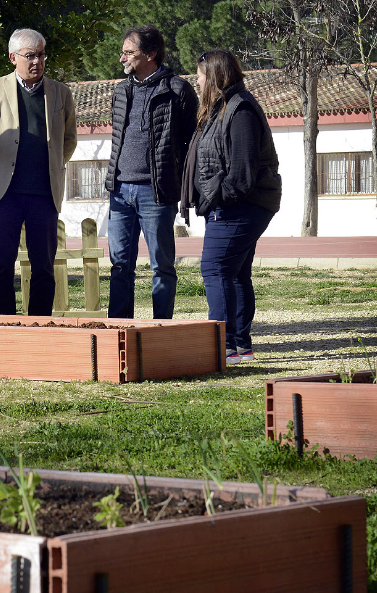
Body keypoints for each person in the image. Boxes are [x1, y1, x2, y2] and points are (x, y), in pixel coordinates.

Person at [180, 49, 282, 364]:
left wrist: (216, 198)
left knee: (216, 268)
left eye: (199, 75)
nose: (195, 81)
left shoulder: (241, 110)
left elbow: (242, 175)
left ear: (213, 76)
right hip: (228, 205)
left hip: (241, 206)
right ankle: (241, 347)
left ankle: (222, 347)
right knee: (236, 274)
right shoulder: (219, 108)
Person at [0, 28, 77, 316]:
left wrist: (52, 165)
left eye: (41, 55)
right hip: (4, 193)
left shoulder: (61, 93)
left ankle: (40, 328)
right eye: (30, 56)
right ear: (12, 57)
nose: (37, 62)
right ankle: (3, 328)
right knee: (2, 264)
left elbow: (69, 140)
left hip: (44, 192)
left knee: (43, 266)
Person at [105, 25, 197, 320]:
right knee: (120, 266)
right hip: (120, 191)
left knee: (162, 266)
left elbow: (191, 142)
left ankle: (161, 328)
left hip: (156, 192)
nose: (123, 58)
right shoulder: (121, 90)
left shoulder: (178, 90)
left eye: (129, 52)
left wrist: (183, 186)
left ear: (151, 54)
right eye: (123, 52)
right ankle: (119, 330)